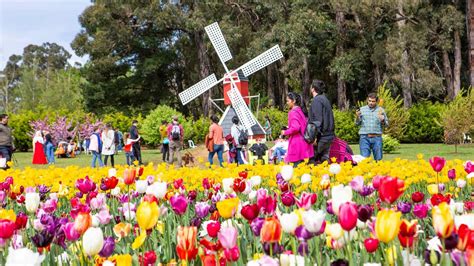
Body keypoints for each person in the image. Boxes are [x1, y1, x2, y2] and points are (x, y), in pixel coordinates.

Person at [281, 92, 314, 166]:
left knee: (296, 172)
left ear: (294, 101)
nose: (287, 103)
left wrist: (285, 132)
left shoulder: (292, 112)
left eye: (288, 101)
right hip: (305, 144)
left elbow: (296, 127)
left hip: (297, 145)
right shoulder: (301, 111)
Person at [355, 92, 388, 161]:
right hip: (364, 137)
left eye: (373, 101)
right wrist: (357, 117)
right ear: (367, 100)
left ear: (376, 101)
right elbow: (357, 123)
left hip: (377, 137)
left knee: (378, 160)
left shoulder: (381, 110)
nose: (371, 103)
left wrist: (382, 120)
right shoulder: (362, 109)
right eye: (369, 101)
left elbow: (386, 125)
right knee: (364, 160)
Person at [308, 79, 335, 164]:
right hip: (329, 135)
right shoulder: (325, 99)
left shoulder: (317, 100)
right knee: (325, 161)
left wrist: (314, 137)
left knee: (313, 161)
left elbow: (317, 120)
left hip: (321, 136)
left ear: (313, 89)